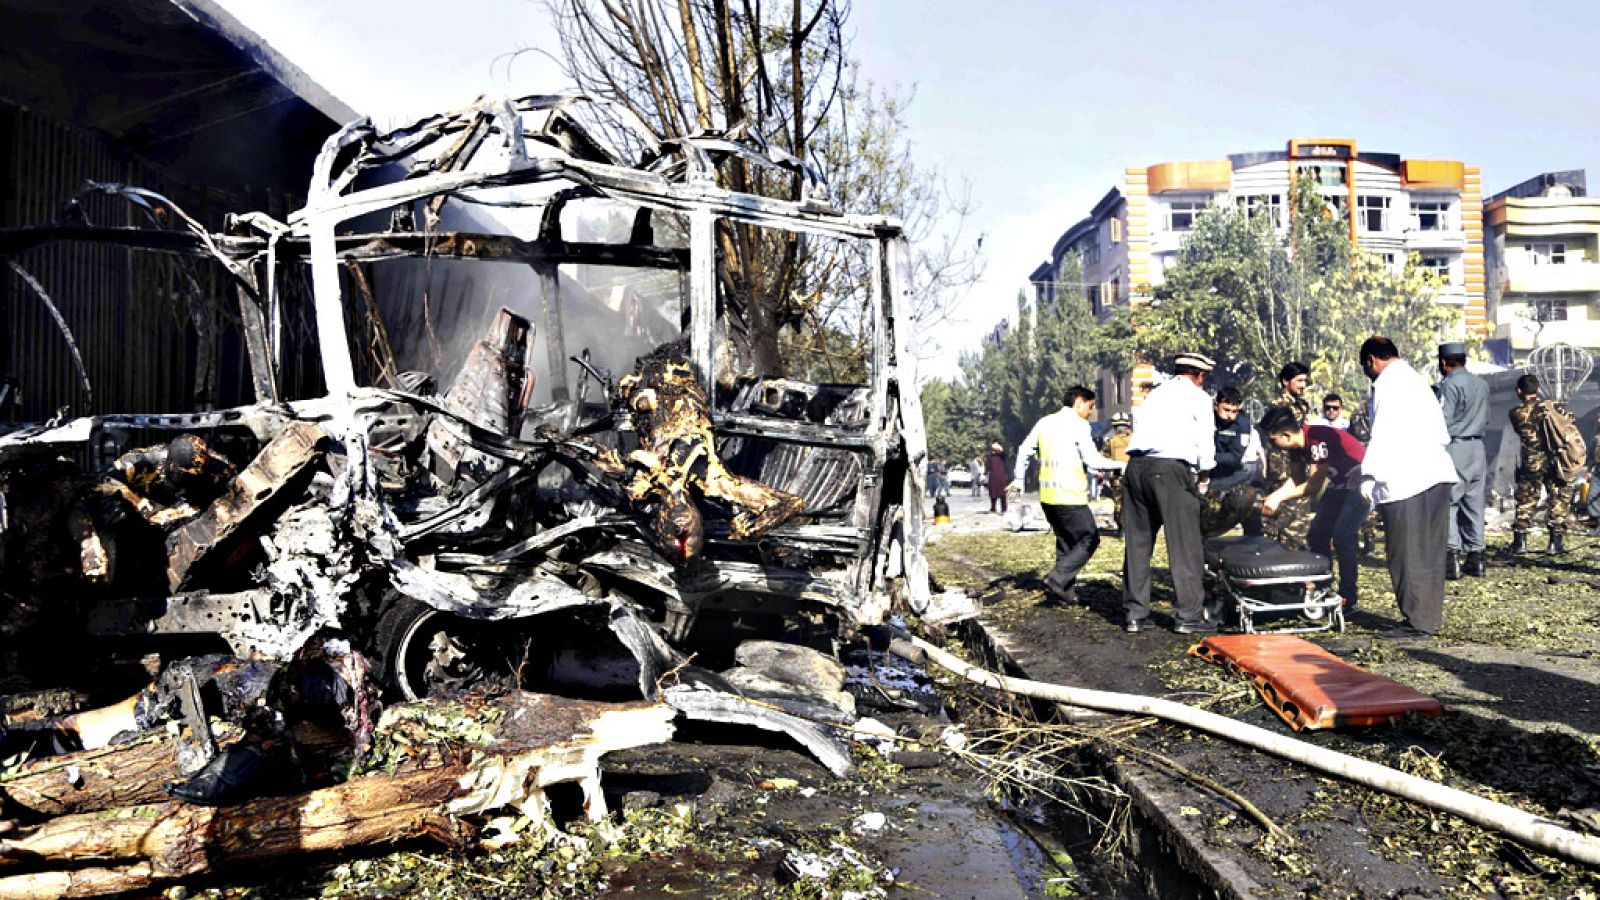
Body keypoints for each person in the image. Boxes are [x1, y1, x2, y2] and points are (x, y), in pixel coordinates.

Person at [1358, 336, 1457, 640]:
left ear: (1371, 360)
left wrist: (1369, 475)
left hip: (1406, 477)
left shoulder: (1387, 384)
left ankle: (1416, 621)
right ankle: (1429, 617)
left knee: (1407, 551)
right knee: (1430, 550)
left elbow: (1384, 433)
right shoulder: (1417, 380)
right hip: (1436, 472)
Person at [1121, 353, 1217, 634]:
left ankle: (1135, 615)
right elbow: (1205, 442)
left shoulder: (1154, 395)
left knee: (1138, 544)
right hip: (1170, 467)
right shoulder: (1199, 397)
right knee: (1185, 545)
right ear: (1198, 375)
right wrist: (1204, 475)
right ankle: (1189, 616)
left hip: (1136, 467)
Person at [1011, 386, 1127, 606]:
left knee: (1066, 541)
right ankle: (1057, 578)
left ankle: (1064, 592)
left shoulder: (1045, 422)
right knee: (1089, 538)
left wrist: (1018, 479)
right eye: (1090, 406)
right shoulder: (1079, 425)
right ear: (1079, 402)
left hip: (1048, 498)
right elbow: (1093, 461)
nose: (1091, 412)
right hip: (1069, 496)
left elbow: (1024, 449)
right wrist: (1121, 465)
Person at [1259, 406, 1370, 608]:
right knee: (1317, 534)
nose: (1272, 445)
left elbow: (1312, 485)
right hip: (1339, 485)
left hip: (1360, 485)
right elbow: (1297, 478)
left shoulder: (1317, 439)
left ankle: (1348, 597)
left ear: (1285, 434)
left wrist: (1278, 498)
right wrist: (1275, 495)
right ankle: (1323, 585)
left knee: (1342, 537)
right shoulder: (1295, 447)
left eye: (1273, 439)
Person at [1435, 342, 1489, 578]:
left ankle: (1451, 559)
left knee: (1449, 501)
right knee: (1474, 502)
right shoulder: (1482, 384)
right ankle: (1476, 558)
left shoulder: (1449, 385)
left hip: (1455, 446)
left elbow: (1442, 421)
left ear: (1444, 363)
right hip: (1477, 446)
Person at [1509, 374, 1574, 555]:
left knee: (1526, 500)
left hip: (1531, 462)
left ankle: (1520, 542)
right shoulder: (1551, 408)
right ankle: (1555, 543)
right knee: (1558, 499)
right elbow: (1570, 420)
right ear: (1538, 390)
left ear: (1519, 391)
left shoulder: (1516, 413)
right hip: (1555, 460)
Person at [1261, 362, 1316, 549]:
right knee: (1286, 510)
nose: (1303, 385)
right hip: (1282, 467)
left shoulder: (1302, 405)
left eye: (1305, 381)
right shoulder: (1277, 406)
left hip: (1300, 464)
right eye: (1299, 380)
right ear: (1285, 381)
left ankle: (1296, 550)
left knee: (1301, 513)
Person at [1208, 387, 1264, 537]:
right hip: (1212, 472)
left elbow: (1234, 458)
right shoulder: (1206, 418)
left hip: (1239, 473)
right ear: (1216, 404)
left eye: (1234, 411)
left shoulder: (1243, 424)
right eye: (1226, 409)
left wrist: (1207, 457)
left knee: (1248, 509)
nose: (1230, 416)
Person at [1100, 412, 1133, 535]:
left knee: (1119, 503)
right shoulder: (1135, 439)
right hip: (1134, 478)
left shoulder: (1111, 441)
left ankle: (1122, 530)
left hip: (1117, 478)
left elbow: (1104, 457)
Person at [985, 443, 1010, 514]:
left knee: (1003, 494)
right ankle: (993, 508)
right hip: (993, 476)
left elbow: (1006, 454)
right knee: (993, 493)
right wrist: (986, 474)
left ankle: (1004, 509)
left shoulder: (1002, 455)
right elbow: (987, 465)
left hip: (1001, 476)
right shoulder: (990, 456)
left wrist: (1000, 449)